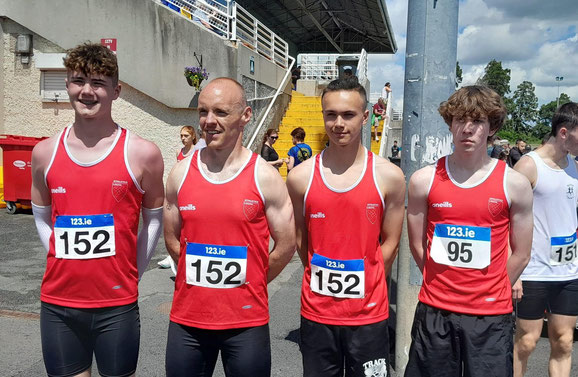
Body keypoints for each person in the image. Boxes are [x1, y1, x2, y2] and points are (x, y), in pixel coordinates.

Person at [30, 43, 165, 377]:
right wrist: (59, 253)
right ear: (67, 85)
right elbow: (41, 213)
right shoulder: (44, 153)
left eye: (98, 83)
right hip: (59, 303)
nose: (87, 91)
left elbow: (153, 220)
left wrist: (135, 269)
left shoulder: (142, 154)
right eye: (78, 81)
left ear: (115, 91)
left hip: (116, 305)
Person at [163, 77, 296, 377]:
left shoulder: (264, 177)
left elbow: (287, 244)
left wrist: (252, 279)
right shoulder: (180, 173)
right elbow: (172, 240)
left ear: (245, 116)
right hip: (188, 321)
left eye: (220, 112)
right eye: (203, 112)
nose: (209, 121)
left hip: (246, 322)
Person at [404, 85, 533, 377]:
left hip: (490, 315)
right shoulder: (423, 181)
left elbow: (522, 253)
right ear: (450, 124)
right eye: (460, 119)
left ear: (491, 128)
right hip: (435, 310)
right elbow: (417, 246)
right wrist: (444, 283)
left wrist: (491, 288)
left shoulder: (514, 184)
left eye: (477, 121)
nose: (467, 128)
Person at [287, 78, 405, 377]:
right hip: (317, 313)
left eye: (348, 115)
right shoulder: (301, 177)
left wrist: (371, 278)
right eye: (331, 114)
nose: (338, 123)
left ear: (365, 117)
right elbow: (302, 240)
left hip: (369, 314)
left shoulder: (389, 176)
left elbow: (390, 242)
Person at [513, 102, 578, 377]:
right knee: (526, 342)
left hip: (568, 272)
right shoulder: (528, 166)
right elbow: (506, 219)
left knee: (563, 341)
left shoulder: (574, 166)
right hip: (533, 271)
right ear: (564, 133)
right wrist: (513, 272)